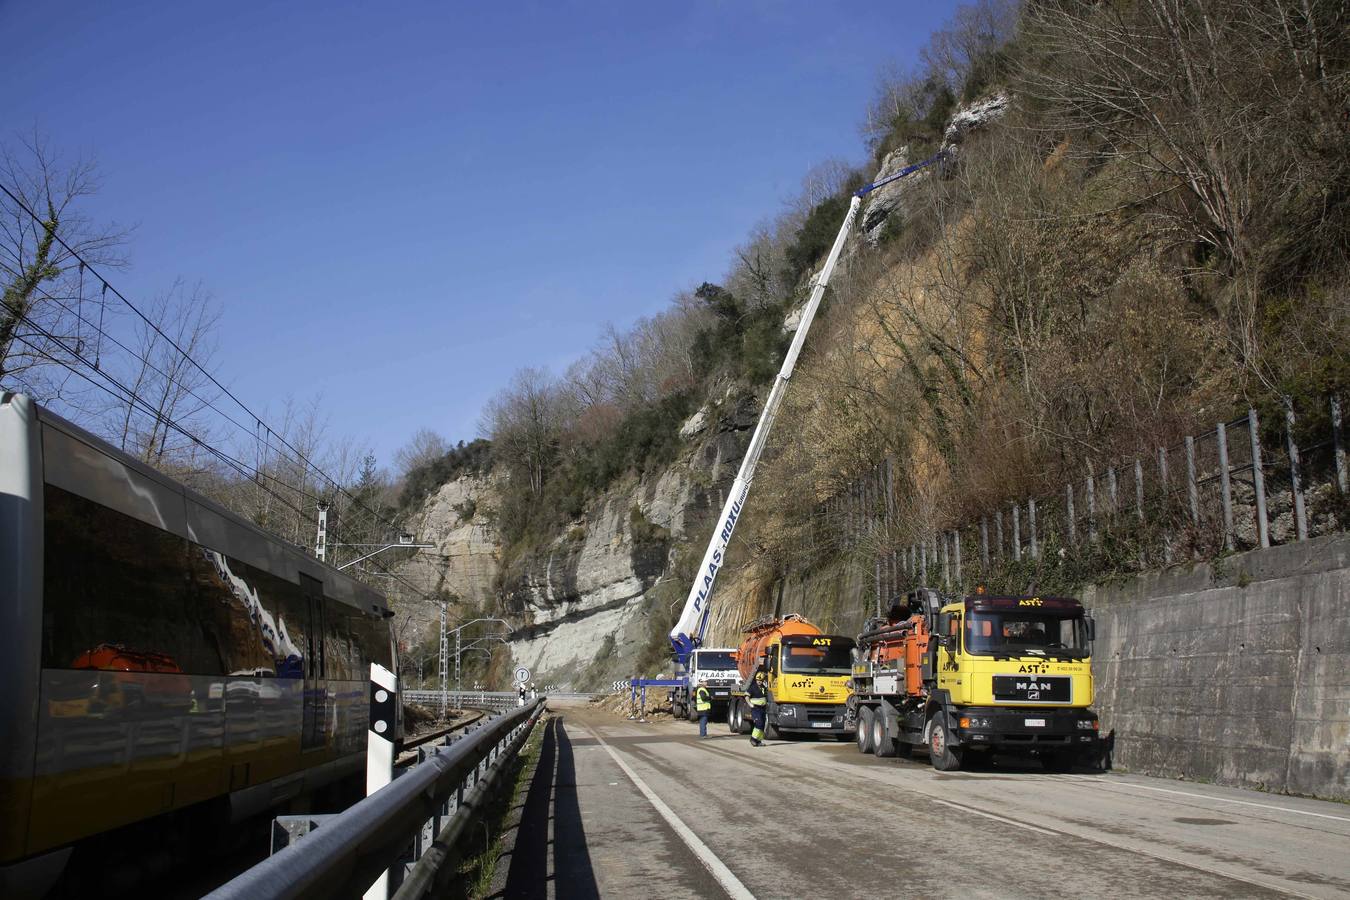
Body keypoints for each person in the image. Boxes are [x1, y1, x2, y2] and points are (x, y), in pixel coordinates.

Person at [747, 669, 769, 747]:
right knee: (758, 723)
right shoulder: (752, 687)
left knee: (762, 725)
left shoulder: (763, 687)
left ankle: (759, 741)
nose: (759, 681)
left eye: (760, 680)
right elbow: (747, 696)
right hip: (756, 708)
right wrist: (750, 704)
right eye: (758, 680)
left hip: (763, 708)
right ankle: (753, 739)